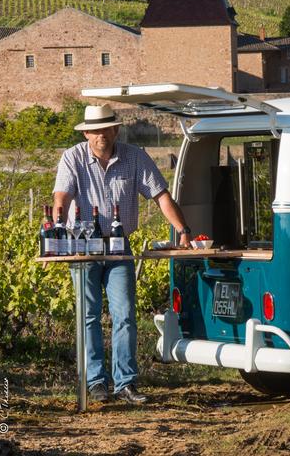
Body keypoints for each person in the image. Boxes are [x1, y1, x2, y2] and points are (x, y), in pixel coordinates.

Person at [53, 104, 192, 405]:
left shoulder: (135, 157)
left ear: (116, 130)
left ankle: (125, 384)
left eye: (106, 128)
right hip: (83, 246)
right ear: (86, 133)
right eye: (95, 130)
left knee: (125, 315)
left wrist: (182, 229)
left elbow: (160, 195)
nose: (101, 134)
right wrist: (57, 224)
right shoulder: (72, 158)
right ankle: (95, 383)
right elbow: (61, 196)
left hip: (119, 247)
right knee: (88, 316)